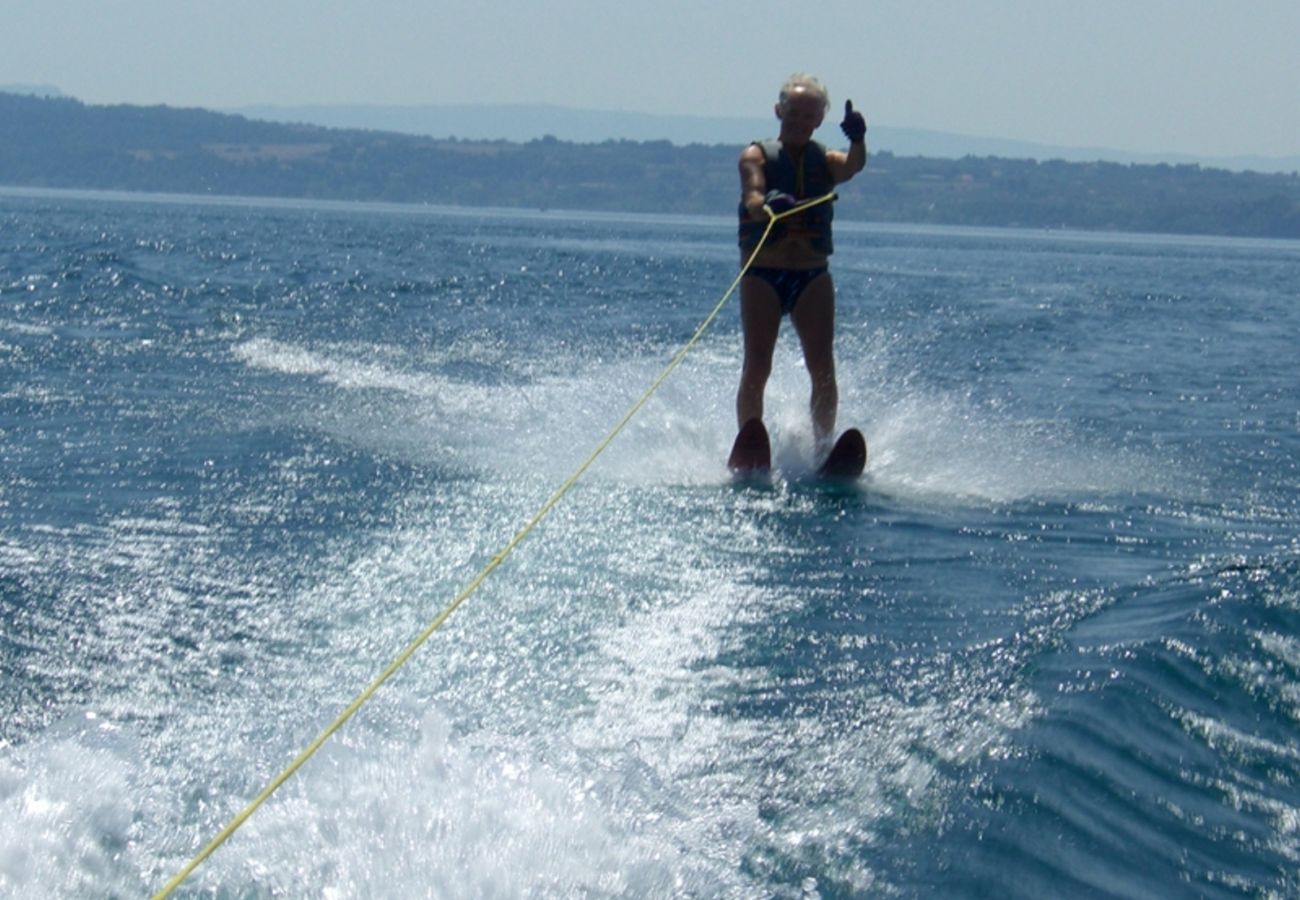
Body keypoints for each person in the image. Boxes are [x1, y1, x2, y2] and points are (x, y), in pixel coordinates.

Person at [735, 73, 867, 456]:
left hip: (811, 275)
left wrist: (858, 139)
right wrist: (767, 205)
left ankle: (823, 446)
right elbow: (752, 197)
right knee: (758, 365)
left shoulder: (824, 161)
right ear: (779, 111)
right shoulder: (755, 155)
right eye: (792, 113)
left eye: (808, 115)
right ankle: (749, 441)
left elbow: (853, 167)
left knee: (823, 366)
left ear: (819, 120)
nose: (798, 121)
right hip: (764, 274)